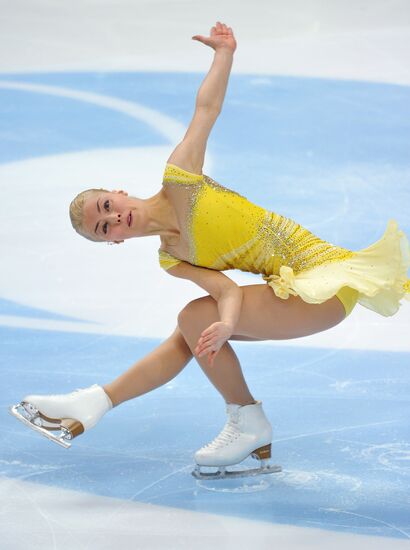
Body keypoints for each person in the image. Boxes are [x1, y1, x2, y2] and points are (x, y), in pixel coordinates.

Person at [10, 22, 410, 479]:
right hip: (300, 297)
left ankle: (245, 418)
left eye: (107, 207)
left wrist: (223, 53)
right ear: (113, 242)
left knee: (196, 321)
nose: (113, 218)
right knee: (193, 330)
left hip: (323, 283)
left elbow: (207, 108)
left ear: (118, 193)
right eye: (104, 228)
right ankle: (97, 402)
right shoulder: (172, 257)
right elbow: (226, 291)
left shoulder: (180, 178)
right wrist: (226, 322)